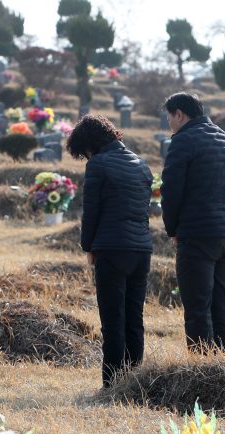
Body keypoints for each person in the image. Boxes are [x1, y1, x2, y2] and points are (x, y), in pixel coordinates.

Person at [66, 114, 153, 388]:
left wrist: (88, 246)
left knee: (113, 319)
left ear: (89, 145)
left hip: (112, 249)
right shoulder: (142, 165)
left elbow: (91, 211)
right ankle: (134, 381)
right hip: (141, 249)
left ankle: (112, 383)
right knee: (133, 318)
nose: (87, 157)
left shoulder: (98, 165)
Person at [160, 92, 225, 353]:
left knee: (197, 308)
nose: (169, 124)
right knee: (221, 305)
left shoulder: (183, 140)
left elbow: (171, 191)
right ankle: (224, 366)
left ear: (179, 114)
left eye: (169, 118)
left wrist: (172, 228)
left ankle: (203, 373)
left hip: (199, 233)